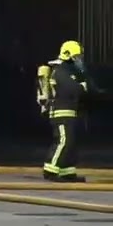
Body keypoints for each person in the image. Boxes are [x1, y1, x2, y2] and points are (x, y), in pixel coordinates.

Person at [39, 40, 91, 182]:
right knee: (64, 141)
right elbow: (72, 89)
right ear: (68, 56)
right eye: (77, 57)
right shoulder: (61, 71)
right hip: (61, 112)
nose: (79, 60)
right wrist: (83, 87)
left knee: (71, 142)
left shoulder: (69, 71)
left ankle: (67, 171)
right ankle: (50, 169)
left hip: (70, 112)